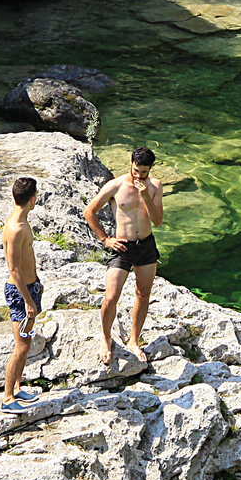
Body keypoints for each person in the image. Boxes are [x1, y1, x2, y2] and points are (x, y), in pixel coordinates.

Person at [85, 147, 164, 366]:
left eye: (144, 172)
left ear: (150, 169)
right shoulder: (115, 186)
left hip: (146, 245)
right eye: (136, 170)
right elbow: (89, 211)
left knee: (143, 293)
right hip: (122, 246)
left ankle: (134, 341)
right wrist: (104, 239)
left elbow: (157, 221)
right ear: (131, 163)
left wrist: (145, 195)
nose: (139, 175)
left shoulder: (155, 186)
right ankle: (106, 338)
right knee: (111, 296)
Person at [0, 176, 43, 412]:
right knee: (22, 345)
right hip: (20, 294)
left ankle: (17, 387)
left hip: (31, 288)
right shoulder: (15, 228)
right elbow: (14, 269)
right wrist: (27, 299)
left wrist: (37, 284)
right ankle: (7, 399)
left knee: (25, 342)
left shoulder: (22, 221)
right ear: (33, 198)